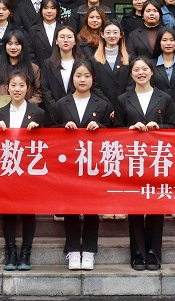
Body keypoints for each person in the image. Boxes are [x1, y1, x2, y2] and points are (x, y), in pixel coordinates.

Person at [117, 57, 175, 271]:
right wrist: (130, 129)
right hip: (132, 160)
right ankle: (137, 253)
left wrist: (159, 127)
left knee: (155, 205)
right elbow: (116, 130)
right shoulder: (123, 99)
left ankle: (154, 252)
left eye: (145, 69)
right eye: (136, 69)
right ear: (131, 74)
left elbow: (174, 126)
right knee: (134, 206)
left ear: (152, 72)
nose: (141, 73)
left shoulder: (164, 98)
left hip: (157, 160)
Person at [53, 58, 112, 270]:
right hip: (68, 165)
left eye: (87, 76)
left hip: (93, 165)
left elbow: (113, 133)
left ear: (93, 79)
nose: (82, 79)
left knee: (91, 208)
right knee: (70, 208)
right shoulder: (61, 104)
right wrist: (63, 127)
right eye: (78, 75)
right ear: (72, 79)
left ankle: (88, 251)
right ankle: (72, 250)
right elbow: (51, 132)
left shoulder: (102, 104)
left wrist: (100, 127)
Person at [0, 70, 49, 270]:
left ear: (28, 89)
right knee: (8, 211)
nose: (17, 89)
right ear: (7, 88)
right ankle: (11, 252)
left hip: (29, 172)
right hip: (7, 170)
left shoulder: (38, 113)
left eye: (21, 85)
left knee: (28, 212)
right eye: (13, 85)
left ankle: (26, 253)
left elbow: (47, 143)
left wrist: (38, 131)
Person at [0, 29, 41, 117]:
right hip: (0, 115)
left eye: (17, 44)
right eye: (10, 43)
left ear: (23, 46)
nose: (13, 47)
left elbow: (38, 92)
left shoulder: (34, 68)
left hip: (26, 114)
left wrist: (25, 106)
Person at [40, 25, 80, 121]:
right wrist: (55, 110)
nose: (66, 40)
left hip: (78, 112)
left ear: (75, 41)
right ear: (56, 41)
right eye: (62, 37)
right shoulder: (48, 64)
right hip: (54, 114)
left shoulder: (82, 63)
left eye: (69, 37)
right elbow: (45, 90)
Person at [93, 19, 130, 111]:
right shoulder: (93, 61)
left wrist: (120, 106)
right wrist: (108, 106)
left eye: (115, 32)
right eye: (108, 32)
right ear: (102, 34)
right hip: (101, 107)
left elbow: (131, 85)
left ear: (121, 35)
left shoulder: (130, 59)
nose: (112, 36)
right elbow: (94, 86)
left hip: (125, 107)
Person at [28, 0, 60, 64]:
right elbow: (30, 53)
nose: (49, 11)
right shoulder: (33, 30)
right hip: (40, 68)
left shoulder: (63, 29)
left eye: (52, 8)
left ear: (57, 11)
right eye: (46, 8)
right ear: (41, 10)